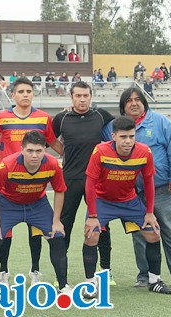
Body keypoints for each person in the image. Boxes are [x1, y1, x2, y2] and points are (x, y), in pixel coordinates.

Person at [111, 87, 171, 290]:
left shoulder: (160, 122)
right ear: (123, 106)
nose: (134, 103)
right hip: (133, 193)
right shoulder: (117, 126)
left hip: (161, 189)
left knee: (170, 232)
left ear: (144, 103)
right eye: (129, 100)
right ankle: (145, 276)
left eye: (138, 99)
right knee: (140, 235)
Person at [83, 116, 171, 297]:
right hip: (103, 202)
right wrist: (92, 215)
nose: (128, 141)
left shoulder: (144, 152)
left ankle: (154, 280)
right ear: (113, 135)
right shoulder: (100, 151)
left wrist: (149, 212)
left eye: (131, 136)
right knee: (91, 236)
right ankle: (91, 284)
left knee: (153, 232)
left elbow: (148, 182)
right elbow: (90, 183)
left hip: (129, 201)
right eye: (123, 136)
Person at [0, 77, 63, 285]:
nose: (25, 95)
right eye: (20, 91)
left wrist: (71, 157)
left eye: (28, 91)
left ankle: (35, 270)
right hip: (8, 186)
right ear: (13, 95)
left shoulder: (43, 118)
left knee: (36, 230)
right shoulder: (2, 118)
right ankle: (3, 271)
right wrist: (3, 158)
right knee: (5, 233)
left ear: (33, 94)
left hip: (34, 186)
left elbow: (52, 143)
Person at [0, 131, 71, 292]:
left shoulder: (52, 164)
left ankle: (64, 285)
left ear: (45, 149)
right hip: (8, 204)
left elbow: (60, 190)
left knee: (57, 236)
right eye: (30, 151)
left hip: (37, 204)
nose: (34, 155)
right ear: (22, 149)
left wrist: (56, 221)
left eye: (38, 151)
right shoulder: (8, 164)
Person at [52, 81, 115, 284]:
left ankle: (106, 271)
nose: (82, 99)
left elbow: (119, 131)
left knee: (101, 226)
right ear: (71, 97)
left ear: (91, 96)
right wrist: (64, 153)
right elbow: (47, 140)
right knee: (64, 226)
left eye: (85, 95)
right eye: (78, 96)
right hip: (70, 179)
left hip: (96, 181)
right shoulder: (62, 119)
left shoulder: (101, 115)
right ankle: (61, 274)